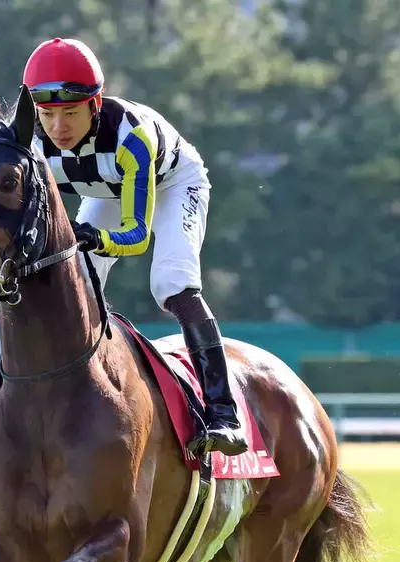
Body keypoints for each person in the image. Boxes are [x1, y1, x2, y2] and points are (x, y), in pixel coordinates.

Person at [22, 37, 247, 456]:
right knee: (77, 285)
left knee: (173, 284)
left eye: (70, 112)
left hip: (174, 185)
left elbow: (136, 236)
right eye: (47, 114)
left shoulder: (131, 139)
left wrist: (92, 237)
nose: (59, 128)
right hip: (109, 192)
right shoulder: (34, 147)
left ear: (95, 103)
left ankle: (223, 413)